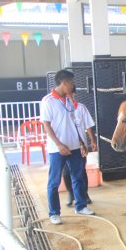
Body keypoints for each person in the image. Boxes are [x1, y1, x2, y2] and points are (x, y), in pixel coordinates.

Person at [41, 69, 95, 225]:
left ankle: (81, 206)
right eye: (71, 83)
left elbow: (75, 124)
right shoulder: (48, 101)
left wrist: (81, 142)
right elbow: (46, 125)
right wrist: (58, 144)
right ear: (64, 83)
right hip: (57, 149)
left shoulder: (70, 101)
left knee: (78, 177)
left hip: (74, 147)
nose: (73, 86)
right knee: (54, 182)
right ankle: (54, 213)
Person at [63, 86, 97, 207]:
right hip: (65, 145)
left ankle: (84, 194)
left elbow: (88, 126)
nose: (68, 97)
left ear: (74, 94)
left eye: (70, 94)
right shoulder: (62, 109)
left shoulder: (81, 108)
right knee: (66, 172)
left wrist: (92, 140)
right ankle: (70, 193)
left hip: (80, 145)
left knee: (81, 171)